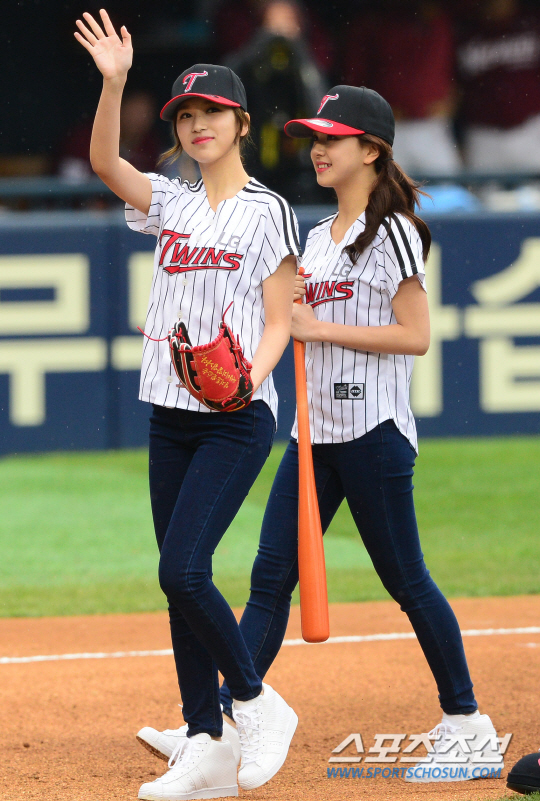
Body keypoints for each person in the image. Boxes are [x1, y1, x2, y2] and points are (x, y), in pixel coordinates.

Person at [215, 84, 502, 782]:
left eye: (332, 139)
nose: (317, 149)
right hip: (314, 437)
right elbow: (290, 321)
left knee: (406, 579)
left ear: (371, 150)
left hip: (373, 432)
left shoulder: (395, 229)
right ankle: (221, 720)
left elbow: (416, 335)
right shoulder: (316, 237)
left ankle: (468, 724)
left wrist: (318, 326)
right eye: (315, 138)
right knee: (269, 578)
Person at [74, 9, 300, 801]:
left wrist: (250, 378)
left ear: (241, 123)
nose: (198, 123)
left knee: (183, 566)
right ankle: (204, 740)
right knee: (177, 581)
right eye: (186, 115)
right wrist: (115, 83)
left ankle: (256, 703)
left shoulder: (267, 211)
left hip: (237, 419)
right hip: (170, 414)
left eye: (213, 111)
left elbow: (280, 319)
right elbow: (105, 162)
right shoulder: (170, 201)